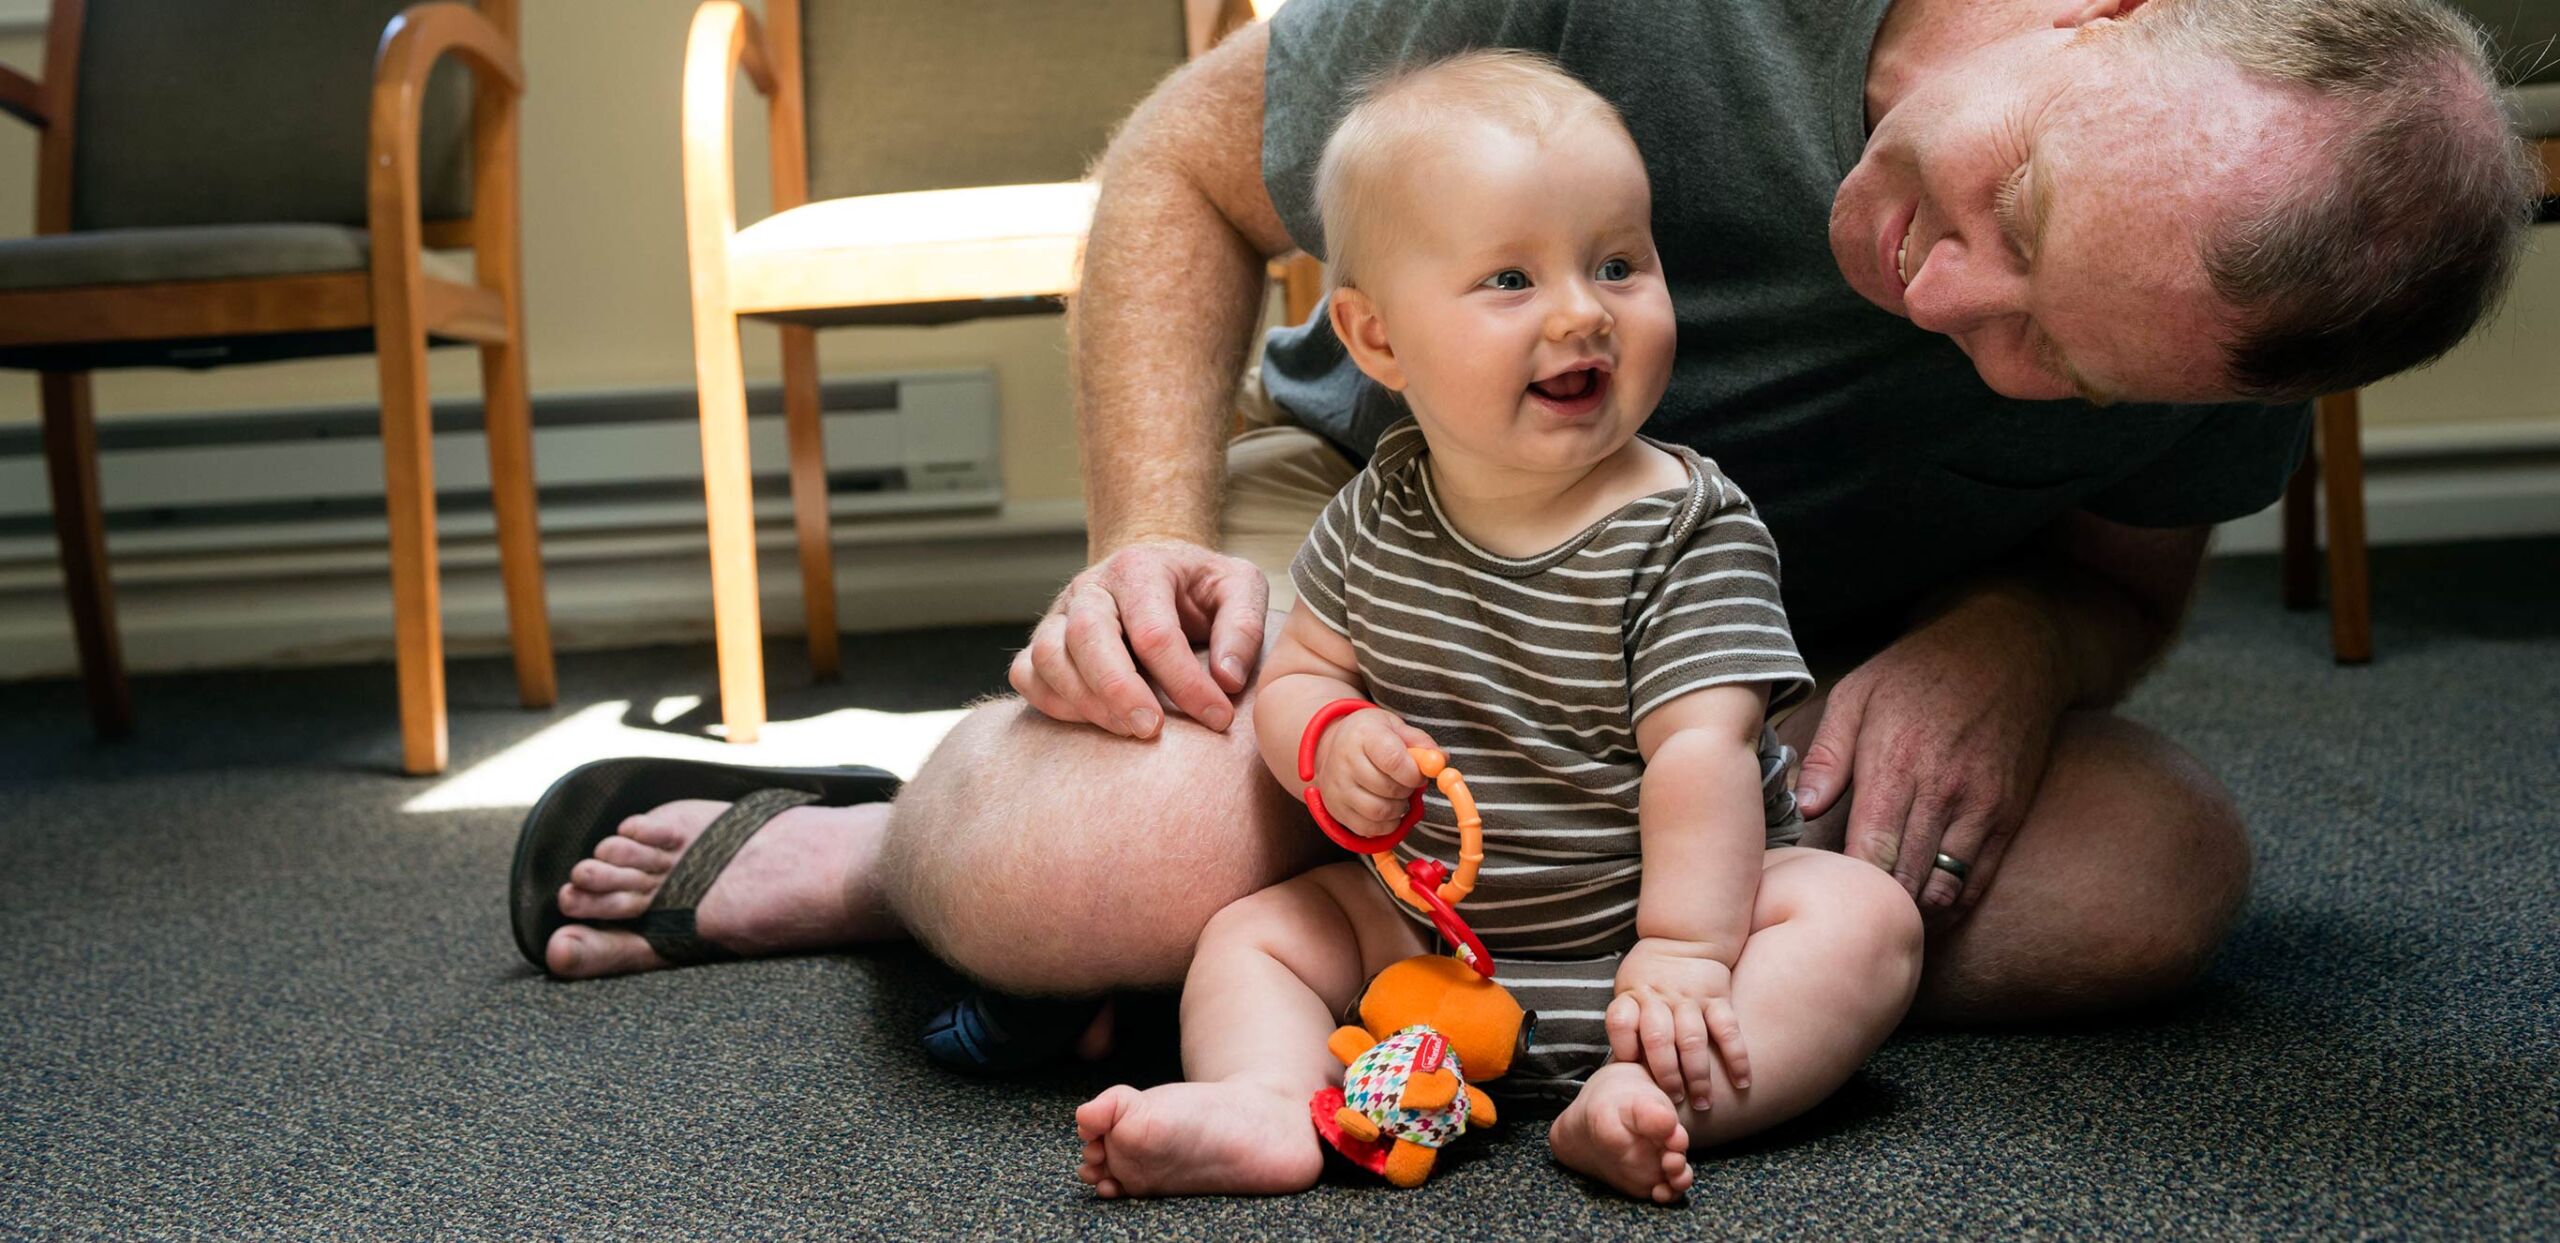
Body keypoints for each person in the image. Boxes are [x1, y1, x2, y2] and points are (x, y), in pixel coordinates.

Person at [532, 0, 2534, 1076]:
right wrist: (1142, 553)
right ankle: (902, 850)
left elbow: (2111, 582)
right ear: (2105, 10)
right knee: (1085, 864)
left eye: (2050, 358)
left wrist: (2013, 650)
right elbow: (1180, 170)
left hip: (1759, 683)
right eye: (2003, 212)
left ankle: (1382, 966)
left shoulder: (2225, 317)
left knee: (2150, 884)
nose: (1944, 304)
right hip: (1386, 568)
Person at [1068, 50, 1921, 1202]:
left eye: (1619, 264)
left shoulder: (1686, 525)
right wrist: (1326, 739)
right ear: (1376, 341)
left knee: (1860, 918)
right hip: (1426, 937)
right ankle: (1267, 1102)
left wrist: (1679, 954)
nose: (1582, 310)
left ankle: (1648, 1102)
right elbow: (1298, 676)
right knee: (1254, 935)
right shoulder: (1378, 509)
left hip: (1654, 941)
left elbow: (1701, 753)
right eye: (1510, 279)